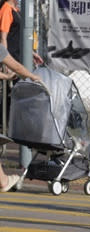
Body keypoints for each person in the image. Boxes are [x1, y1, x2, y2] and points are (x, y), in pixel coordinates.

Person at [0, 0, 42, 190]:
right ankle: (3, 181)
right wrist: (31, 75)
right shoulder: (7, 9)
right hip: (14, 65)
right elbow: (5, 40)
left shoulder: (15, 9)